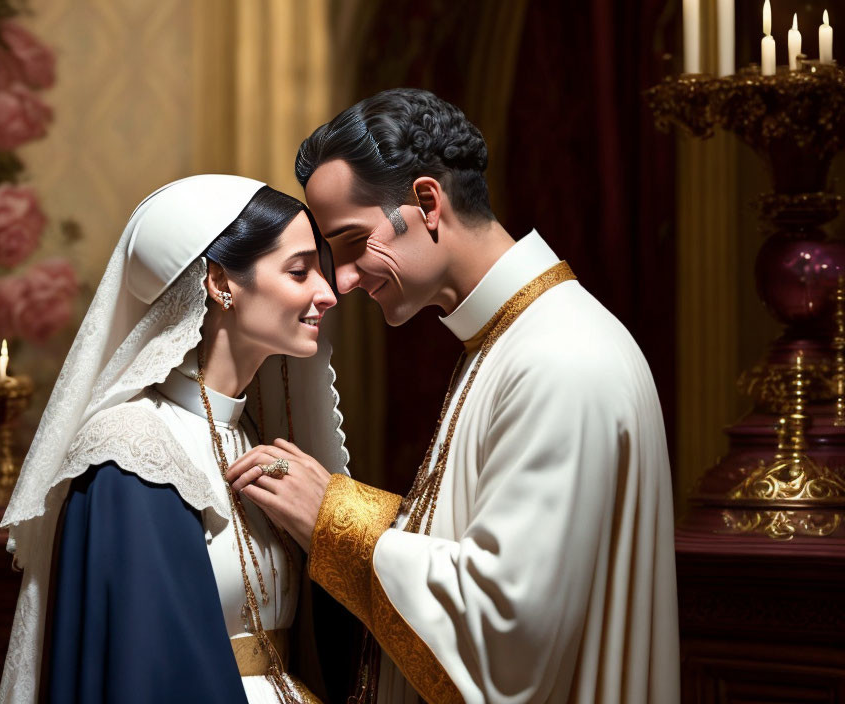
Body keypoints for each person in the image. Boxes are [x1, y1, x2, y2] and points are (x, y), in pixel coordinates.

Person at [227, 89, 681, 703]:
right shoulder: (511, 337)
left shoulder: (559, 356)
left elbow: (507, 631)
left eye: (354, 243)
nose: (346, 281)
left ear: (425, 202)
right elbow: (481, 552)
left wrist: (334, 520)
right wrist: (336, 507)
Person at [0, 174, 348, 703]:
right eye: (300, 271)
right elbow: (149, 671)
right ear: (220, 282)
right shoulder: (132, 450)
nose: (328, 292)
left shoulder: (257, 435)